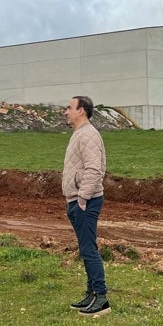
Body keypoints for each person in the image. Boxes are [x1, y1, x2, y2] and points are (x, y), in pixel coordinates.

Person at [63, 95, 108, 314]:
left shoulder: (88, 134)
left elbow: (94, 169)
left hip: (86, 201)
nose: (66, 111)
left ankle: (101, 298)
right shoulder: (79, 134)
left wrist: (82, 198)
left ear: (82, 111)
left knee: (89, 249)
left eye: (70, 107)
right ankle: (91, 294)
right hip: (77, 200)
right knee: (86, 248)